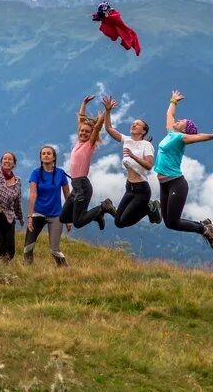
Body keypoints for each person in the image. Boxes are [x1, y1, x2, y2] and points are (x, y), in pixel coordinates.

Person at [155, 91, 213, 248]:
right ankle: (205, 225)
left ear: (185, 130)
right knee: (169, 223)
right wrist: (174, 100)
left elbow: (198, 137)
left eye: (182, 122)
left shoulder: (182, 137)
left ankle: (204, 229)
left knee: (174, 221)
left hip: (176, 183)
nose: (178, 120)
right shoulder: (171, 132)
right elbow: (170, 114)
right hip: (164, 183)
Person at [100, 97, 161, 228]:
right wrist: (107, 111)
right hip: (129, 187)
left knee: (123, 222)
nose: (133, 125)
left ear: (143, 131)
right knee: (118, 222)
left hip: (142, 190)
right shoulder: (127, 140)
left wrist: (133, 156)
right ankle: (111, 207)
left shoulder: (146, 145)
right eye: (133, 123)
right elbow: (109, 128)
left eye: (137, 124)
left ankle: (149, 208)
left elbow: (149, 166)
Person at [59, 95, 112, 231]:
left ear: (91, 134)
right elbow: (80, 120)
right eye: (81, 131)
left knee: (78, 222)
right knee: (63, 217)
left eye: (87, 132)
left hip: (82, 186)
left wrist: (106, 112)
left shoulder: (89, 144)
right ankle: (97, 215)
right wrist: (83, 103)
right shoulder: (78, 143)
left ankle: (103, 207)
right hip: (76, 187)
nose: (83, 133)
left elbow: (98, 127)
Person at [23, 145, 72, 267]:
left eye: (49, 153)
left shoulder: (61, 173)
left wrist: (69, 218)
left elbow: (68, 196)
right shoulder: (35, 173)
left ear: (54, 157)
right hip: (37, 212)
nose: (46, 155)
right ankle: (28, 267)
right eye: (43, 153)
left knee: (54, 249)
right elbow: (32, 195)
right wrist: (30, 216)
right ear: (40, 157)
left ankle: (64, 268)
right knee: (28, 246)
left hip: (56, 215)